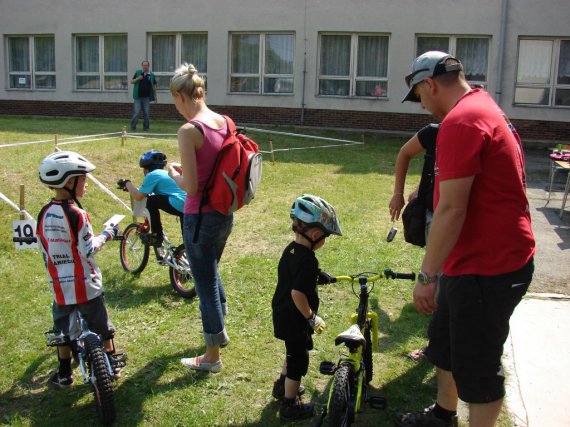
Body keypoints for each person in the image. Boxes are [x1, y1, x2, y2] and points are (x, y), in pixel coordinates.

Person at [396, 51, 535, 427]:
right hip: (470, 259)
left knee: (478, 367)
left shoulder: (462, 121)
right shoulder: (482, 105)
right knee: (444, 341)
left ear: (430, 84)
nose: (423, 106)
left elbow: (452, 210)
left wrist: (426, 276)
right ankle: (443, 414)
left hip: (489, 266)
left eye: (420, 96)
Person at [167, 63, 233, 373]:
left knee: (204, 284)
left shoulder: (188, 130)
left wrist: (174, 176)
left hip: (199, 218)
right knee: (211, 271)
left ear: (180, 95)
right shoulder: (224, 122)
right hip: (223, 214)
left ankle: (212, 356)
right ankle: (220, 329)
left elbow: (191, 187)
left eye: (173, 100)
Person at [37, 151, 124, 387]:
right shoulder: (78, 213)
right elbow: (87, 249)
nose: (86, 185)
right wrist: (107, 234)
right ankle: (112, 363)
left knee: (63, 330)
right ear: (69, 182)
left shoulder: (43, 214)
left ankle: (64, 373)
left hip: (60, 285)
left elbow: (44, 249)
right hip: (86, 282)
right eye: (83, 180)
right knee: (101, 326)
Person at [271, 194, 342, 421]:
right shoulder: (308, 259)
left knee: (292, 352)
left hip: (282, 312)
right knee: (298, 362)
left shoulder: (291, 249)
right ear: (314, 234)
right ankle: (290, 404)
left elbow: (294, 275)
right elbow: (297, 293)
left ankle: (281, 386)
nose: (324, 241)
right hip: (295, 317)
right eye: (325, 237)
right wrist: (312, 318)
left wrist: (317, 276)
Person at [390, 123, 439, 362]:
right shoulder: (434, 132)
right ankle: (438, 343)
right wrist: (400, 194)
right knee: (439, 278)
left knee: (444, 282)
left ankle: (440, 344)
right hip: (434, 216)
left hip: (460, 220)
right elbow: (405, 152)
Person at [117, 150, 186, 255]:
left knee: (151, 201)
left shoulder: (152, 175)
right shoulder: (165, 174)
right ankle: (184, 256)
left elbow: (138, 196)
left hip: (178, 202)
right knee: (188, 242)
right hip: (189, 205)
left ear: (145, 169)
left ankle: (157, 236)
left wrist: (127, 183)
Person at [130, 60, 157, 132]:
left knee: (146, 113)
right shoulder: (138, 72)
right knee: (136, 112)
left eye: (147, 65)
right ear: (142, 66)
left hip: (146, 97)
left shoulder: (151, 75)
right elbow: (131, 81)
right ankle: (133, 127)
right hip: (138, 97)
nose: (145, 67)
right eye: (144, 65)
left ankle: (146, 128)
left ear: (149, 66)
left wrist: (155, 97)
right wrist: (138, 78)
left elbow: (154, 86)